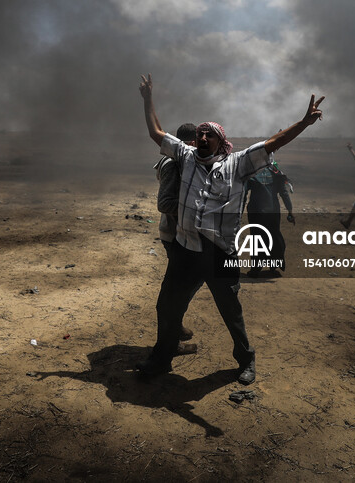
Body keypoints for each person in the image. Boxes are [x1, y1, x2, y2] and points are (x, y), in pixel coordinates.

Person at [137, 73, 324, 384]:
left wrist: (304, 122)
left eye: (210, 135)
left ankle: (246, 358)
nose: (203, 138)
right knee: (167, 306)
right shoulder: (185, 157)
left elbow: (273, 143)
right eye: (200, 134)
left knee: (230, 311)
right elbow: (156, 132)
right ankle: (161, 357)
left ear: (221, 142)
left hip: (219, 252)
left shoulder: (238, 164)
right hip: (185, 249)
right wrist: (147, 99)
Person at [154, 122, 198, 354]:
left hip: (176, 234)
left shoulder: (177, 160)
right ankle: (171, 344)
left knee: (184, 286)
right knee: (180, 290)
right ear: (190, 142)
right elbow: (164, 203)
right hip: (174, 236)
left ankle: (175, 328)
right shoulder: (173, 164)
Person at [243, 158, 295, 276]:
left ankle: (256, 269)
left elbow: (244, 194)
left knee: (257, 238)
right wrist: (290, 211)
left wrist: (239, 211)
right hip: (273, 211)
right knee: (274, 235)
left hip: (256, 211)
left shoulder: (252, 173)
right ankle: (273, 265)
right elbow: (284, 193)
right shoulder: (276, 172)